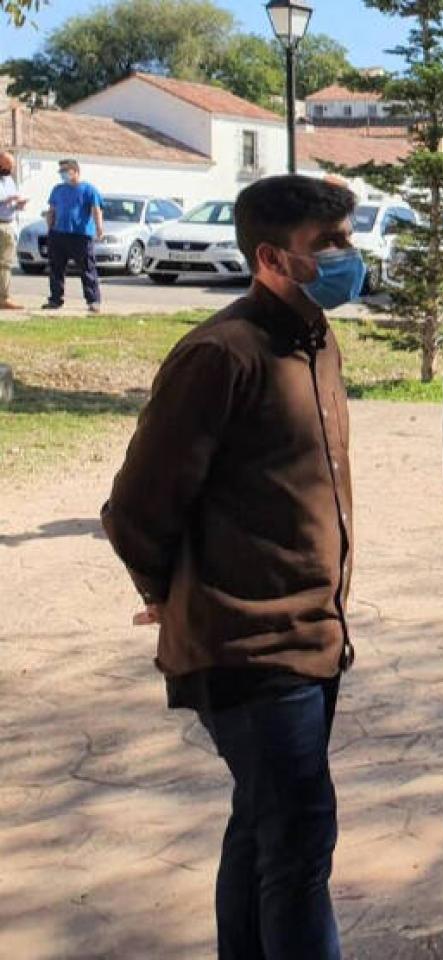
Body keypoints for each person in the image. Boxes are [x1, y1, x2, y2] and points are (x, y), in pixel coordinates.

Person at [101, 174, 367, 960]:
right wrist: (168, 589)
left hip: (314, 633)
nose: (348, 257)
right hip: (249, 646)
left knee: (262, 822)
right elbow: (137, 506)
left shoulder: (316, 338)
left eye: (347, 238)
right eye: (330, 245)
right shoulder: (221, 354)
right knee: (299, 839)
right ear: (270, 257)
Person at [43, 158, 105, 313]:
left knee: (87, 268)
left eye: (65, 171)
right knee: (56, 268)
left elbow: (96, 209)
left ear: (75, 171)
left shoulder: (89, 189)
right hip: (58, 234)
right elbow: (52, 209)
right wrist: (49, 228)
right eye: (61, 171)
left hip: (80, 235)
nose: (63, 174)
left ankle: (93, 300)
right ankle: (55, 299)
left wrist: (99, 229)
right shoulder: (57, 189)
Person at [0, 151, 26, 310]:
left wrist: (18, 205)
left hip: (7, 224)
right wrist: (6, 200)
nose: (10, 170)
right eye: (8, 166)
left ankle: (4, 296)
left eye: (12, 167)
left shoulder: (9, 180)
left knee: (5, 264)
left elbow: (11, 203)